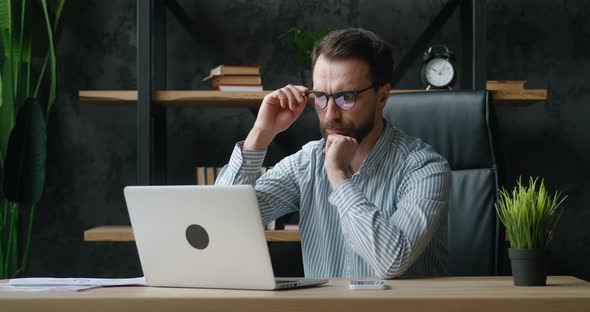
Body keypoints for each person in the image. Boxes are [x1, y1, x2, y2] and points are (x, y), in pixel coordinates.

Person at [216, 28, 450, 279]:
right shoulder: (307, 163)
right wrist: (260, 134)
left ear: (382, 97)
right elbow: (222, 220)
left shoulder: (425, 168)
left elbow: (390, 262)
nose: (330, 114)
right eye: (320, 97)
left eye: (346, 97)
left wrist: (338, 175)